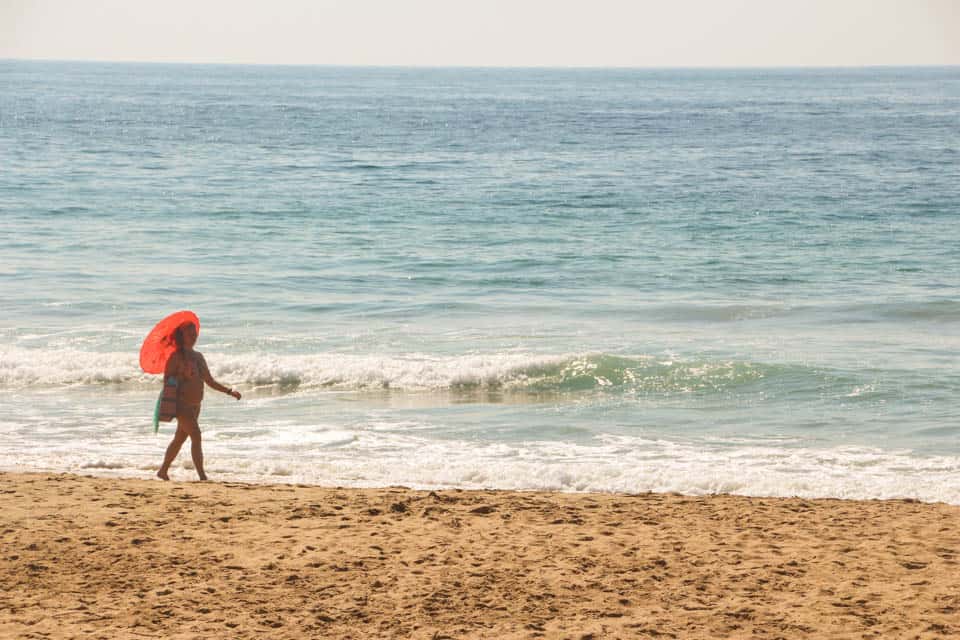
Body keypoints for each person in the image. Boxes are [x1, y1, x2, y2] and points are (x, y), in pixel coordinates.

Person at [157, 322, 240, 481]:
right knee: (196, 435)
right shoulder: (176, 356)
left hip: (196, 405)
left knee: (179, 439)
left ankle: (163, 470)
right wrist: (182, 375)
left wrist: (229, 391)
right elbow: (167, 380)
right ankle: (202, 476)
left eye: (195, 334)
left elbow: (209, 381)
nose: (193, 337)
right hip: (181, 404)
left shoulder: (198, 357)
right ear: (182, 336)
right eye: (190, 334)